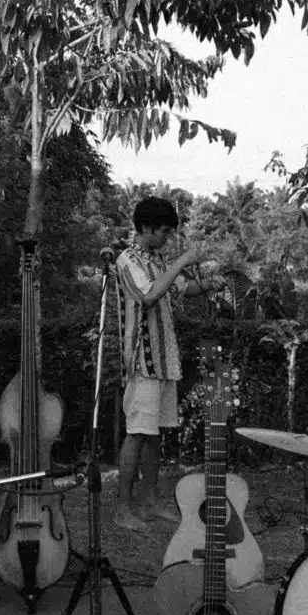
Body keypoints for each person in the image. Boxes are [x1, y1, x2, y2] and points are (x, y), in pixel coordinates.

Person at [113, 196, 220, 531]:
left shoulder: (158, 260)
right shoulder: (126, 260)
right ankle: (122, 509)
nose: (167, 238)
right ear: (146, 228)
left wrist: (209, 285)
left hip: (163, 359)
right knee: (136, 434)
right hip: (142, 361)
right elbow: (148, 296)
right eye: (164, 232)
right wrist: (182, 261)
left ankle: (150, 500)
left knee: (154, 434)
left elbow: (181, 288)